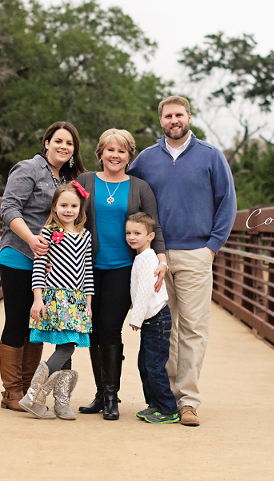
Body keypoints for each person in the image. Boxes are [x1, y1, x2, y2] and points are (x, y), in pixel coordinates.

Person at [128, 96, 237, 426]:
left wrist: (212, 248)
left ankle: (188, 400)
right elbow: (122, 188)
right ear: (160, 120)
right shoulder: (146, 159)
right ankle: (168, 398)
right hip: (155, 255)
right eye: (168, 116)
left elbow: (227, 203)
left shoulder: (211, 157)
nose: (174, 120)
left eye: (179, 114)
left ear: (189, 117)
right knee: (164, 328)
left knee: (192, 329)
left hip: (195, 255)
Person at [75, 128, 167, 421]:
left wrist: (161, 258)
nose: (115, 155)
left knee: (110, 329)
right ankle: (100, 394)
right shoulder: (85, 181)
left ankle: (113, 396)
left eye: (122, 151)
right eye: (109, 150)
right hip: (85, 268)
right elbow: (67, 216)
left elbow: (156, 226)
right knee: (91, 331)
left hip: (122, 270)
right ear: (100, 153)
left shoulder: (140, 187)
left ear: (129, 156)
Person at [0, 122, 86, 412]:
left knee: (36, 322)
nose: (63, 146)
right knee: (17, 320)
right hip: (20, 254)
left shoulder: (71, 178)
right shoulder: (28, 169)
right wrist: (32, 240)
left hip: (50, 265)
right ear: (46, 142)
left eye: (69, 143)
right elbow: (9, 208)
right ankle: (11, 393)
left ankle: (27, 390)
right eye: (58, 140)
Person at [19, 182, 94, 420]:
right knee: (67, 346)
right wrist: (37, 299)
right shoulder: (49, 233)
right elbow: (39, 267)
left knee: (67, 347)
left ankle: (62, 402)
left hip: (77, 300)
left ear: (80, 208)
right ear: (54, 207)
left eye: (73, 205)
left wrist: (88, 304)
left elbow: (88, 271)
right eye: (63, 205)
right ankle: (33, 395)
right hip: (54, 298)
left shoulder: (85, 236)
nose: (68, 210)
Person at [126, 212, 179, 424]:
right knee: (145, 364)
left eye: (137, 233)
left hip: (157, 319)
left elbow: (145, 292)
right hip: (151, 320)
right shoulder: (141, 257)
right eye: (128, 232)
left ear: (150, 236)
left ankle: (168, 409)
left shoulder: (148, 258)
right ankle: (154, 404)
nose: (131, 237)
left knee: (155, 366)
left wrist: (135, 319)